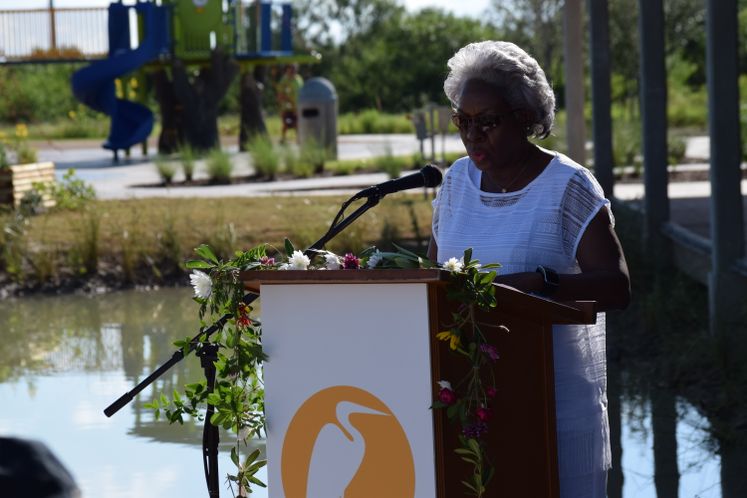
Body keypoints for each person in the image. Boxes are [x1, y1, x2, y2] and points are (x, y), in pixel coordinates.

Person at [428, 40, 631, 498]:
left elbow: (617, 287)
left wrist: (541, 284)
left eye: (488, 122)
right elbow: (433, 280)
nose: (472, 135)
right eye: (463, 121)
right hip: (468, 406)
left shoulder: (568, 185)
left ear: (523, 117)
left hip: (552, 406)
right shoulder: (456, 183)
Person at [276, 64, 304, 143]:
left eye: (294, 69)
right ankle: (283, 139)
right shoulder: (284, 80)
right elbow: (280, 95)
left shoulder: (299, 79)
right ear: (287, 70)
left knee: (298, 123)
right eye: (291, 69)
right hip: (287, 107)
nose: (293, 71)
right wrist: (289, 102)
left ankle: (299, 139)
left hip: (297, 106)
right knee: (286, 123)